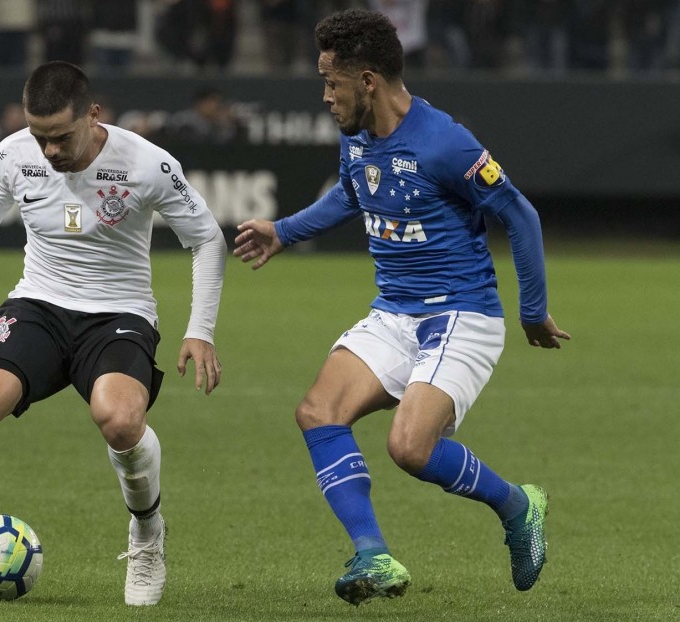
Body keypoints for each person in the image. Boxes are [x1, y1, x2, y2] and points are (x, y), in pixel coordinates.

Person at [0, 61, 226, 607]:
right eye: (38, 135)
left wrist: (200, 329)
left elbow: (207, 239)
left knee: (120, 421)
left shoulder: (147, 165)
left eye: (60, 136)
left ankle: (147, 534)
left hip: (118, 313)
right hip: (39, 305)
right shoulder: (11, 155)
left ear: (92, 115)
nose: (49, 150)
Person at [234, 9, 569, 606]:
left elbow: (520, 214)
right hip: (395, 312)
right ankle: (374, 554)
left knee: (409, 448)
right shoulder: (356, 134)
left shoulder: (445, 142)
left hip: (461, 314)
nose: (325, 96)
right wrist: (285, 231)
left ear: (367, 81)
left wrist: (532, 310)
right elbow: (352, 191)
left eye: (331, 82)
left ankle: (520, 505)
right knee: (318, 411)